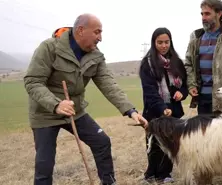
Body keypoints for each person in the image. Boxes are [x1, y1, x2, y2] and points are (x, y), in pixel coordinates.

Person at [23, 13, 148, 185]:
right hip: (45, 114)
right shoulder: (50, 48)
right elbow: (33, 81)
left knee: (102, 142)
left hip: (75, 111)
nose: (100, 38)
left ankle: (108, 182)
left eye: (101, 33)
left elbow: (109, 85)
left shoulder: (96, 56)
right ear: (81, 30)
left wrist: (131, 110)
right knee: (44, 165)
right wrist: (56, 104)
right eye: (97, 32)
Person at [139, 27, 189, 183]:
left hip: (174, 110)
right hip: (153, 110)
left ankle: (165, 174)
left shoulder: (177, 62)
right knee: (153, 142)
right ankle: (151, 173)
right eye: (159, 42)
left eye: (166, 42)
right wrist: (162, 108)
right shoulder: (147, 64)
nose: (163, 45)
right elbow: (150, 91)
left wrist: (182, 93)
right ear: (154, 43)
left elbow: (185, 85)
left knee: (171, 142)